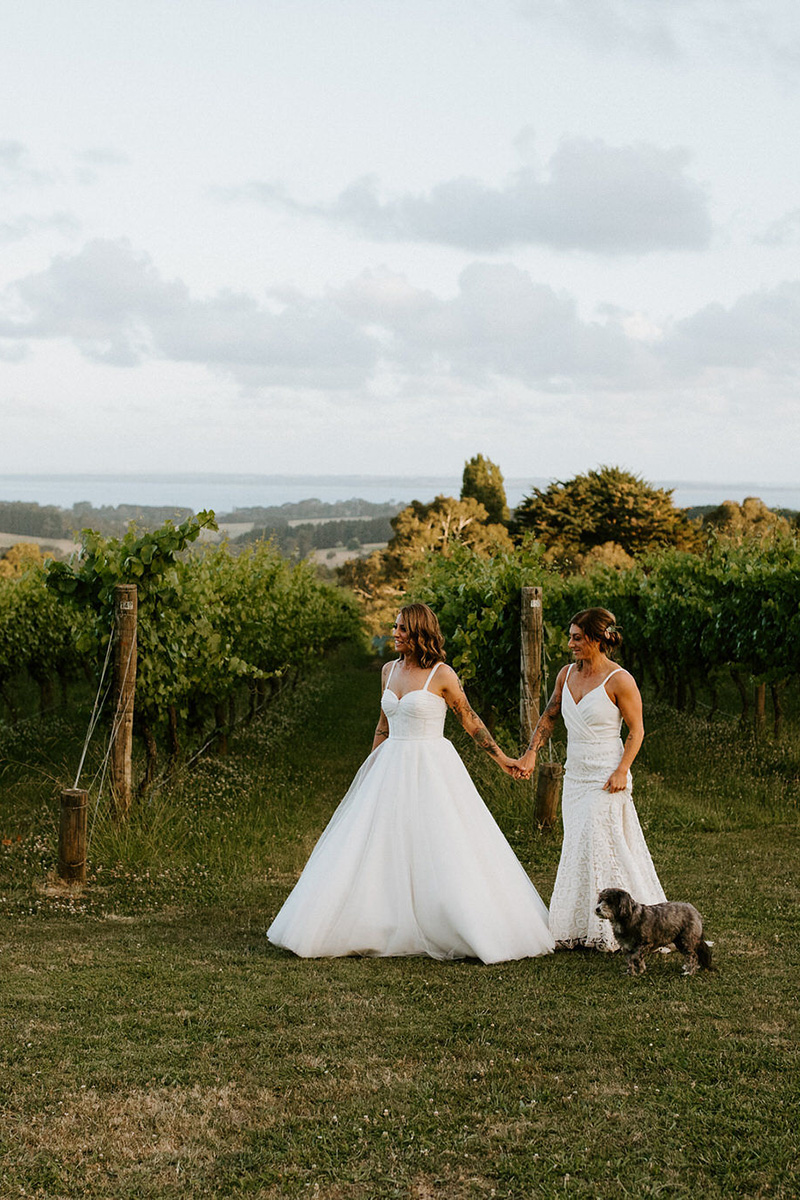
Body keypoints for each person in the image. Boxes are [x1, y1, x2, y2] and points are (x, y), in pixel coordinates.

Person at [268, 602, 554, 963]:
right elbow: (383, 724)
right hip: (390, 764)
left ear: (420, 633)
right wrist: (369, 767)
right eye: (395, 626)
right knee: (377, 844)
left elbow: (469, 720)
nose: (395, 633)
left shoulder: (442, 675)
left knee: (441, 842)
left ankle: (454, 918)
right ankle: (378, 919)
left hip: (432, 766)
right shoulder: (388, 670)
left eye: (402, 628)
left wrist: (503, 760)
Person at [515, 608, 666, 951]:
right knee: (578, 845)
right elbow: (550, 715)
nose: (570, 644)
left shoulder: (620, 680)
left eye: (577, 638)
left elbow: (637, 729)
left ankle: (625, 927)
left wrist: (622, 769)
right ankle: (579, 924)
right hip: (576, 776)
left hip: (606, 774)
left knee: (599, 841)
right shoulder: (565, 675)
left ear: (598, 640)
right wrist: (532, 752)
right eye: (570, 637)